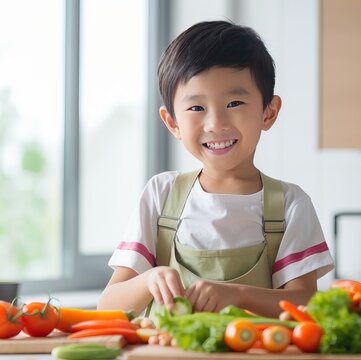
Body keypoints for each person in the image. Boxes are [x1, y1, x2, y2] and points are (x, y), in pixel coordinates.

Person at [97, 20, 334, 318]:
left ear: (268, 112)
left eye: (234, 103)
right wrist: (149, 278)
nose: (216, 124)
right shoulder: (161, 194)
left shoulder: (290, 204)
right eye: (196, 108)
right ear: (172, 123)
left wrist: (237, 295)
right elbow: (108, 305)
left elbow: (306, 305)